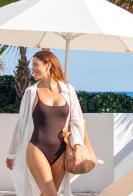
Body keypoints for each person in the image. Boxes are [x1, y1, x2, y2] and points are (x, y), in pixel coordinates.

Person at [6, 50, 87, 196]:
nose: (32, 69)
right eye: (33, 65)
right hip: (36, 148)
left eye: (36, 65)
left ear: (48, 65)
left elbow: (76, 120)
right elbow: (21, 124)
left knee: (47, 194)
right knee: (51, 194)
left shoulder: (68, 90)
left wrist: (78, 146)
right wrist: (12, 152)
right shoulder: (31, 92)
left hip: (61, 151)